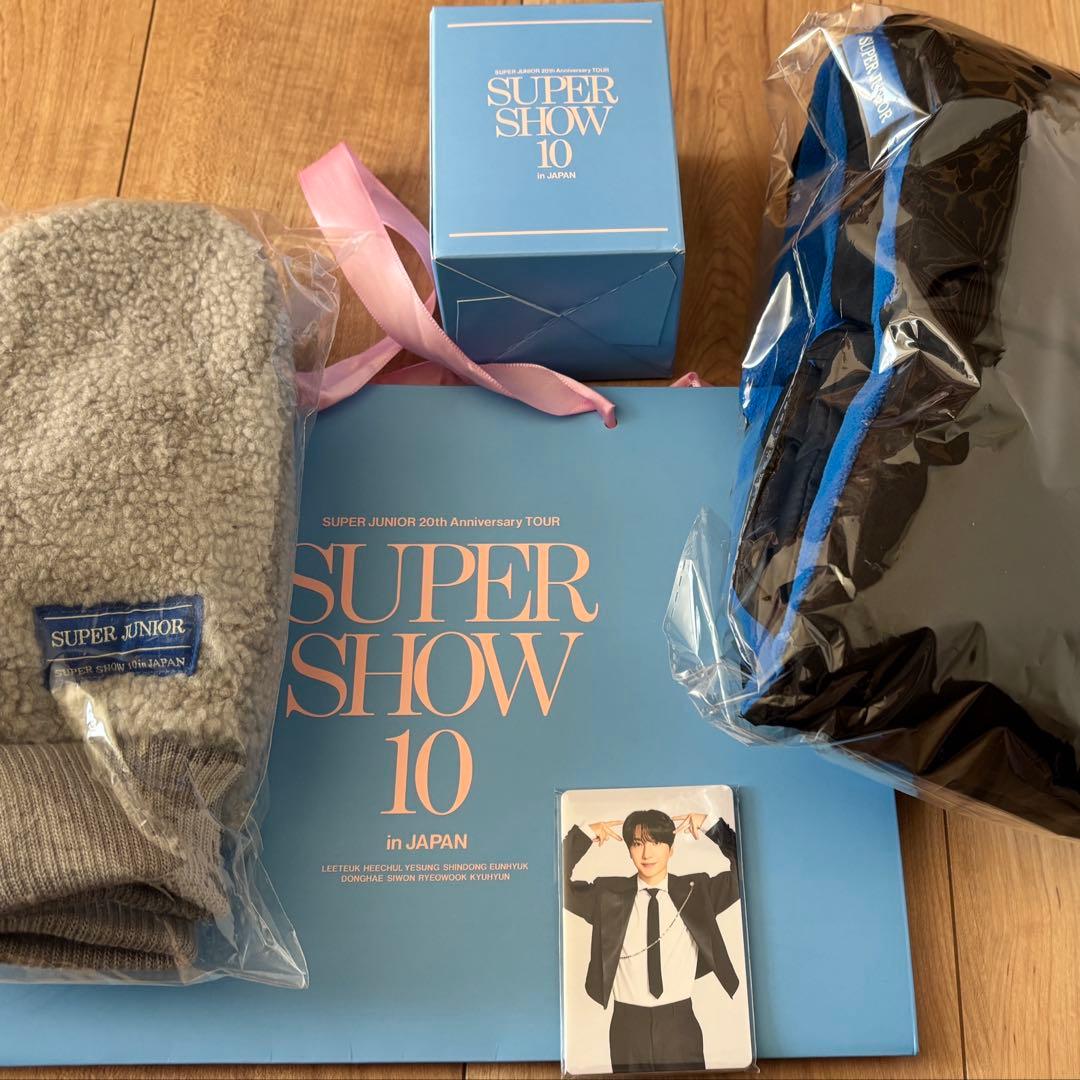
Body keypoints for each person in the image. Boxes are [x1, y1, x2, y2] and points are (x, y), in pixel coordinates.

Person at [562, 808, 740, 1073]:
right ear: (629, 850)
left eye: (656, 842)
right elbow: (551, 881)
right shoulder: (607, 894)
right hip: (627, 1025)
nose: (647, 853)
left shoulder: (697, 891)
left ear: (671, 849)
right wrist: (585, 834)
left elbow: (749, 870)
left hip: (679, 1023)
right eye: (637, 844)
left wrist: (712, 826)